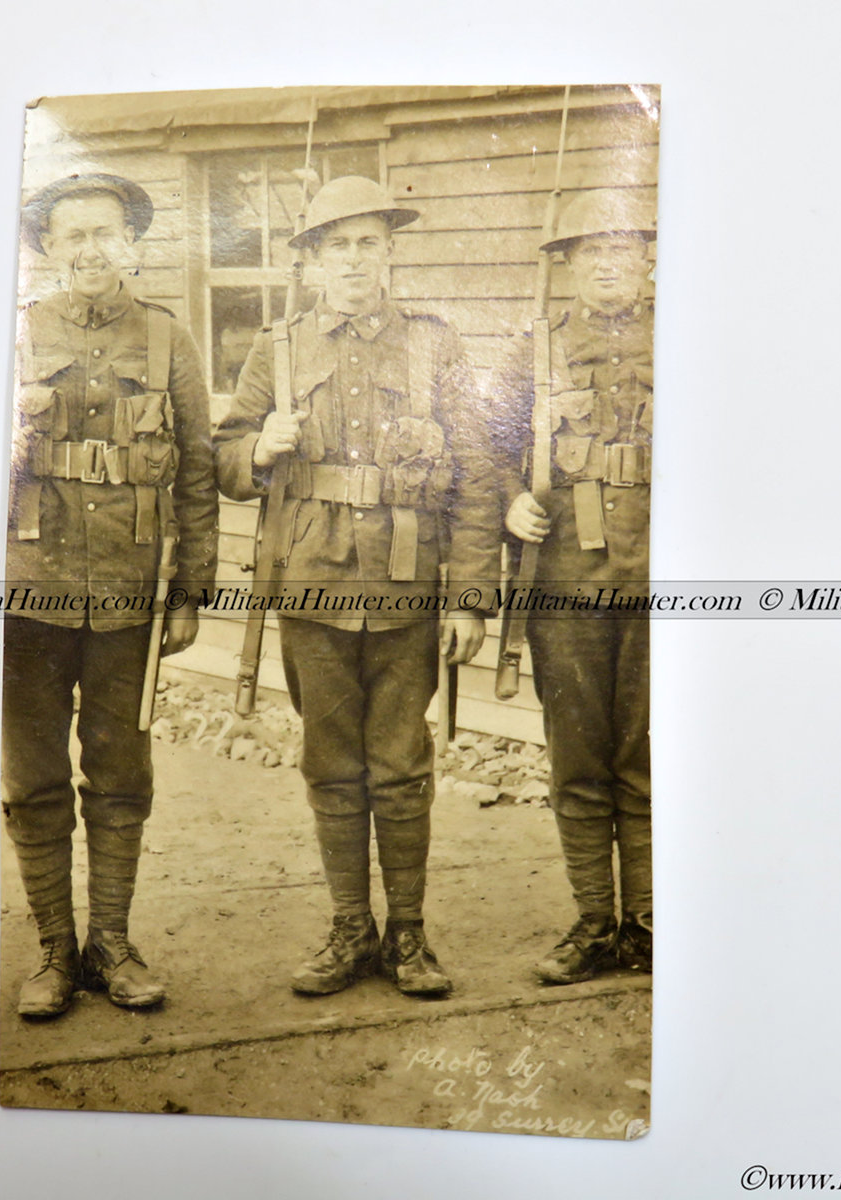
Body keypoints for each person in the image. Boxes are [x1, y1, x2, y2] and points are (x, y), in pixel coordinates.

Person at [214, 176, 501, 998]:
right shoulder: (278, 348)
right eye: (335, 246)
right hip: (311, 586)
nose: (352, 260)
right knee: (331, 763)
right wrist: (258, 447)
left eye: (367, 243)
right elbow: (224, 461)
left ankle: (407, 934)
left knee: (402, 765)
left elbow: (477, 475)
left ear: (389, 253)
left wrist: (469, 598)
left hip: (409, 589)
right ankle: (350, 928)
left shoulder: (434, 346)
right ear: (310, 262)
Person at [4, 173, 217, 1019]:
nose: (90, 250)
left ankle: (111, 943)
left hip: (131, 599)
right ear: (49, 249)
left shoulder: (167, 339)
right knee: (34, 778)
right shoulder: (14, 335)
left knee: (121, 773)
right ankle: (55, 949)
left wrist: (191, 592)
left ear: (131, 244)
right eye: (73, 236)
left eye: (105, 233)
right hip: (28, 598)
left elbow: (197, 473)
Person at [488, 186, 655, 983]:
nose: (607, 266)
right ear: (568, 264)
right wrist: (509, 501)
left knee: (651, 756)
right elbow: (484, 448)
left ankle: (649, 923)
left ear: (647, 260)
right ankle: (594, 923)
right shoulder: (536, 350)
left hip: (660, 586)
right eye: (591, 252)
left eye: (621, 249)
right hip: (565, 590)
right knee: (579, 762)